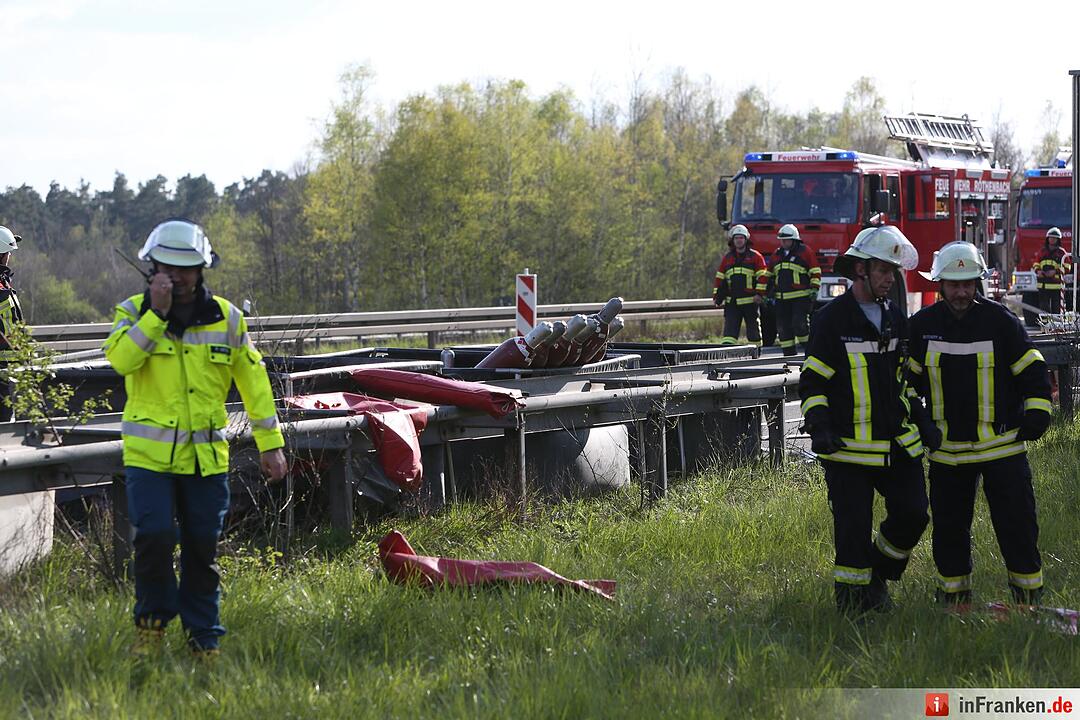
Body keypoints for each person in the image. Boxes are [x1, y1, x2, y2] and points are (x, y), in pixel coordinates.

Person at [103, 218, 288, 656]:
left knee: (202, 550)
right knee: (153, 538)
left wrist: (271, 444)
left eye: (186, 268)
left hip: (206, 462)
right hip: (150, 461)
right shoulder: (132, 313)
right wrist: (156, 317)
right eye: (168, 268)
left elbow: (255, 383)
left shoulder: (227, 319)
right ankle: (150, 628)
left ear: (202, 269)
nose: (178, 276)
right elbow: (121, 362)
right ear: (153, 270)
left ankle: (204, 639)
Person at [908, 241, 1052, 607]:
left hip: (1002, 448)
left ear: (978, 283)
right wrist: (920, 420)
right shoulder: (921, 328)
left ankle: (1027, 601)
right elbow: (904, 384)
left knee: (1017, 527)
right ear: (939, 285)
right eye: (954, 285)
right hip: (948, 452)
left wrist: (1037, 412)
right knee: (950, 533)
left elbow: (1032, 371)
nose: (961, 292)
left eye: (968, 284)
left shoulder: (1001, 322)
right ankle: (955, 604)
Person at [798, 225, 931, 616]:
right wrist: (819, 427)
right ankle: (853, 608)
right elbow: (814, 382)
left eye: (893, 272)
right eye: (884, 271)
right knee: (852, 535)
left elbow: (904, 381)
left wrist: (923, 422)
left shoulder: (896, 317)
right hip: (848, 448)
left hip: (896, 444)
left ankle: (879, 577)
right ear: (861, 271)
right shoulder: (831, 320)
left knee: (913, 515)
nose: (891, 279)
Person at [762, 224, 820, 356]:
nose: (783, 242)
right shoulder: (777, 255)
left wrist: (814, 289)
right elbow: (769, 276)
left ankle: (811, 351)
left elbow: (815, 271)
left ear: (794, 240)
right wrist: (765, 294)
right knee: (783, 328)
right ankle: (788, 355)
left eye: (786, 240)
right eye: (781, 240)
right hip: (782, 299)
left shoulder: (805, 252)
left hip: (800, 298)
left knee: (799, 325)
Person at [712, 224, 767, 345]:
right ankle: (727, 356)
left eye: (741, 238)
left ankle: (756, 355)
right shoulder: (727, 258)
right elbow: (720, 278)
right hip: (732, 303)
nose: (738, 240)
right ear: (733, 240)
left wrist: (759, 294)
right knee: (729, 335)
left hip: (750, 302)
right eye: (736, 238)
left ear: (746, 240)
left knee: (753, 334)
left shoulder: (755, 257)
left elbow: (763, 277)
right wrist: (717, 296)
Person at [0, 226, 24, 422]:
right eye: (8, 252)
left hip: (9, 364)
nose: (10, 256)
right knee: (5, 417)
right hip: (2, 364)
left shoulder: (4, 282)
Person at [1033, 227, 1072, 314]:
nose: (1052, 239)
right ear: (1047, 239)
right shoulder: (1042, 251)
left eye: (1054, 238)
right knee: (1043, 308)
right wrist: (1038, 271)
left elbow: (1067, 267)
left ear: (1058, 239)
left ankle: (1056, 326)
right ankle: (1045, 326)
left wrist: (1055, 271)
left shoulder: (1062, 253)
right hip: (1043, 285)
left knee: (1056, 309)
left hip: (1056, 286)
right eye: (1050, 237)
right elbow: (1036, 263)